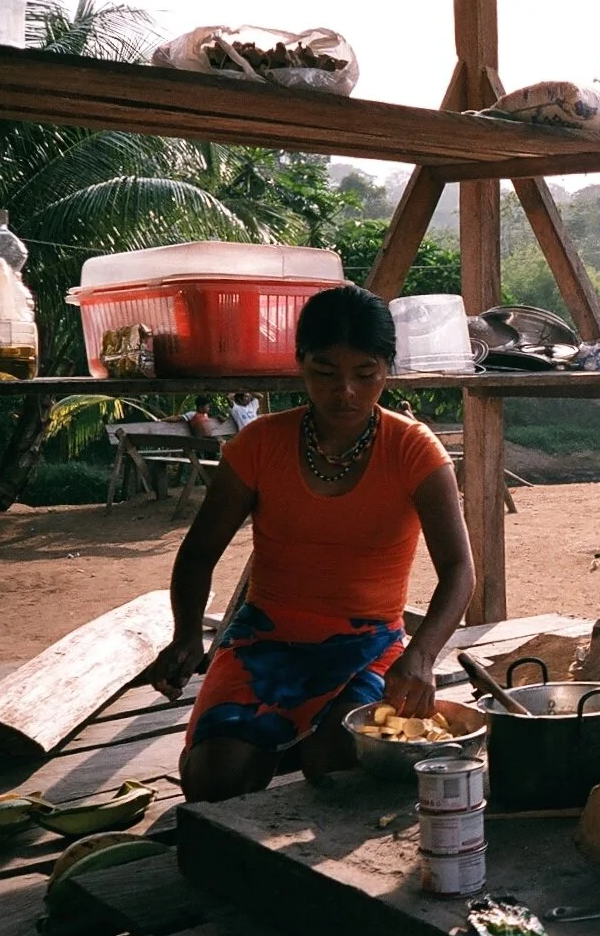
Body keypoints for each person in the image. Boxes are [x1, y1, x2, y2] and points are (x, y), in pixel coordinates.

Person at [143, 286, 476, 803]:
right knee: (216, 781)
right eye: (325, 371)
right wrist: (187, 634)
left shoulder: (413, 450)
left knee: (341, 765)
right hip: (264, 641)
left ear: (387, 370)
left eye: (365, 374)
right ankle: (273, 740)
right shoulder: (258, 445)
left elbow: (458, 570)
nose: (345, 390)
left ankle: (295, 742)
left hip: (370, 644)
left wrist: (421, 654)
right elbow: (198, 552)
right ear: (300, 365)